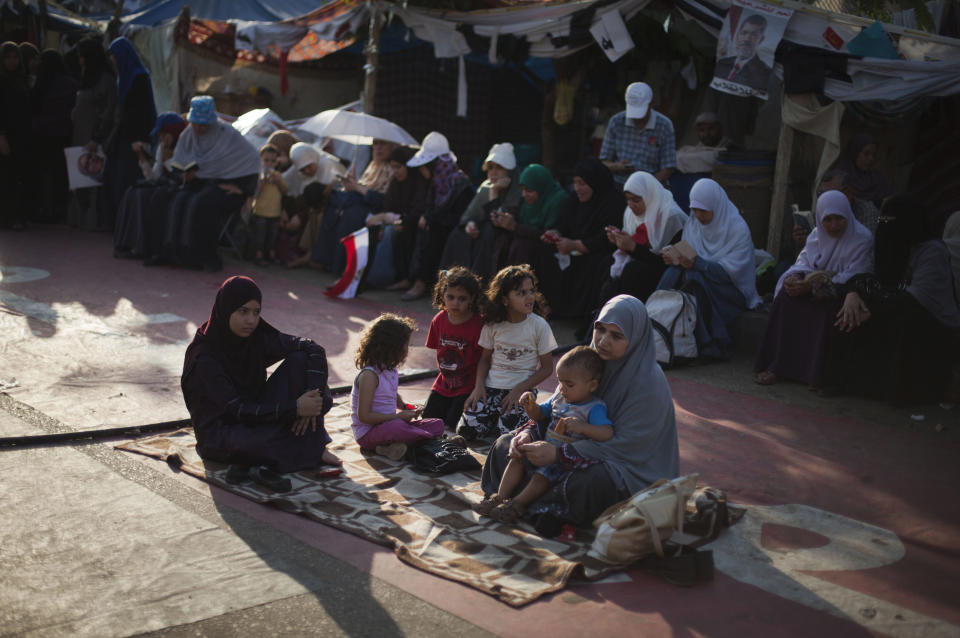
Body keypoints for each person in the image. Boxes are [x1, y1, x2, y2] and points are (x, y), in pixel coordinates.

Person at [480, 295, 679, 534]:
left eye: (616, 336)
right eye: (600, 329)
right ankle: (534, 506)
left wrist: (558, 454)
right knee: (506, 445)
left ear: (636, 338)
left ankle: (534, 506)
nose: (604, 341)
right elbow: (556, 410)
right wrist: (528, 435)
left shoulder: (648, 384)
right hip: (569, 446)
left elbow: (627, 446)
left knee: (591, 482)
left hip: (624, 466)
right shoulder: (588, 362)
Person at [180, 275, 340, 485]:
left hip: (259, 415)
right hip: (223, 432)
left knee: (300, 359)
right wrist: (295, 408)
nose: (251, 320)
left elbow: (313, 348)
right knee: (255, 443)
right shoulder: (205, 357)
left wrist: (313, 396)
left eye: (256, 312)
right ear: (226, 309)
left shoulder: (255, 339)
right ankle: (308, 448)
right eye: (243, 311)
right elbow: (237, 409)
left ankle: (264, 460)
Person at [821, 195, 960, 405]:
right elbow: (868, 276)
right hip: (894, 302)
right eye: (882, 221)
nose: (885, 226)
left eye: (891, 221)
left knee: (900, 320)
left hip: (932, 322)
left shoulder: (932, 251)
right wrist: (853, 293)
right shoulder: (886, 244)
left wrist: (874, 307)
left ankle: (901, 392)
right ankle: (843, 382)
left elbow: (916, 297)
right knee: (848, 312)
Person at [477, 346, 613, 524]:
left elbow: (607, 433)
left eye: (569, 385)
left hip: (563, 459)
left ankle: (517, 505)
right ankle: (499, 498)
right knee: (515, 456)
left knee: (542, 476)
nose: (562, 388)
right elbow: (541, 414)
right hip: (541, 448)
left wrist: (584, 427)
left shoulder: (593, 408)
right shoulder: (559, 397)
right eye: (560, 382)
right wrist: (530, 406)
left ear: (592, 385)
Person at [754, 190, 874, 387]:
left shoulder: (862, 238)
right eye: (827, 220)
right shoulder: (816, 236)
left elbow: (857, 275)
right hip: (813, 286)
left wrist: (814, 285)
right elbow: (803, 263)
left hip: (843, 292)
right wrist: (794, 279)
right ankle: (778, 366)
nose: (833, 225)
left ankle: (813, 373)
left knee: (824, 308)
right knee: (786, 298)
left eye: (839, 219)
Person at [656, 178, 761, 358]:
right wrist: (675, 258)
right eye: (694, 210)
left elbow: (731, 275)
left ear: (716, 207)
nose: (698, 215)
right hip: (701, 281)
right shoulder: (694, 223)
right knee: (676, 272)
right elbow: (688, 253)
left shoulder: (737, 229)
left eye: (703, 211)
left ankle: (710, 343)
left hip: (731, 291)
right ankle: (657, 325)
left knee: (693, 278)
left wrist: (698, 264)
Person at [155, 95, 261, 270]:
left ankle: (203, 258)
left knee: (201, 203)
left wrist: (243, 189)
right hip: (198, 184)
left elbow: (251, 161)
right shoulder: (188, 135)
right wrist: (184, 175)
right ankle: (171, 253)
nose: (198, 128)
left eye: (202, 124)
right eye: (195, 123)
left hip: (229, 189)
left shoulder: (227, 136)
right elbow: (180, 164)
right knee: (174, 198)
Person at [458, 265, 557, 441]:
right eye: (521, 293)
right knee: (465, 431)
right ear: (504, 300)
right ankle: (495, 420)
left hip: (521, 390)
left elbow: (547, 368)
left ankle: (506, 422)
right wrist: (478, 387)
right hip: (491, 388)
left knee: (511, 436)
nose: (529, 297)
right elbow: (484, 360)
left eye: (531, 291)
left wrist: (519, 389)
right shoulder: (492, 325)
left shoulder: (539, 325)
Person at [538, 157, 623, 327]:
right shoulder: (575, 200)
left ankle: (581, 315)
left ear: (595, 183)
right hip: (572, 246)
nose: (577, 188)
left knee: (594, 263)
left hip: (597, 250)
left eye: (582, 183)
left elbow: (607, 239)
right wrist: (555, 233)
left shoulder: (612, 203)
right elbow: (563, 222)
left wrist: (576, 245)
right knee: (545, 253)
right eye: (575, 183)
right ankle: (554, 308)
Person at [350, 313, 445, 460]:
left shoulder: (390, 370)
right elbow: (364, 416)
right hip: (368, 434)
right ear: (392, 347)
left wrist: (406, 407)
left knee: (437, 423)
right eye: (406, 344)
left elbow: (391, 395)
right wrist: (396, 417)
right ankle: (431, 441)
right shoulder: (369, 376)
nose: (408, 349)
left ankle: (387, 448)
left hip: (389, 426)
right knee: (397, 427)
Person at [400, 132, 475, 301]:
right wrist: (427, 217)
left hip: (453, 228)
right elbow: (430, 207)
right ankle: (408, 278)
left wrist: (432, 219)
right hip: (437, 224)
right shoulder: (436, 182)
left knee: (431, 232)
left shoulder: (460, 183)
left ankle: (422, 281)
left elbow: (460, 217)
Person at [601, 171, 688, 305]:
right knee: (608, 262)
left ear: (649, 196)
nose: (631, 205)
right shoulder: (630, 213)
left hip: (665, 269)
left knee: (634, 271)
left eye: (636, 200)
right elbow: (633, 244)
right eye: (628, 199)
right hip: (641, 260)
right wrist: (619, 240)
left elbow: (665, 261)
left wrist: (633, 247)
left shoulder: (671, 217)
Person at [439, 142, 523, 280]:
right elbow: (469, 214)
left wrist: (494, 191)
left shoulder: (517, 188)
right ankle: (452, 282)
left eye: (499, 167)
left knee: (489, 232)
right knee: (458, 233)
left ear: (510, 171)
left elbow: (499, 220)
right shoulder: (485, 187)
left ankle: (479, 283)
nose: (493, 172)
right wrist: (469, 224)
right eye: (490, 168)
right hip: (485, 229)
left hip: (505, 233)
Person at [311, 138, 396, 274]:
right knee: (333, 206)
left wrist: (356, 187)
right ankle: (325, 259)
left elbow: (382, 199)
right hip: (360, 201)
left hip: (375, 207)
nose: (378, 148)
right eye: (376, 144)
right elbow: (363, 187)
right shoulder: (373, 166)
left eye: (383, 144)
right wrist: (352, 183)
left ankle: (341, 266)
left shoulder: (392, 168)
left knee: (352, 213)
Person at [101, 37, 157, 230]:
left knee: (125, 184)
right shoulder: (125, 77)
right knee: (114, 183)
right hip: (122, 140)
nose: (113, 61)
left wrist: (138, 140)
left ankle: (126, 226)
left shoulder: (138, 78)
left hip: (133, 142)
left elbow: (142, 113)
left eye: (115, 56)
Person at [113, 112, 186, 258]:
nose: (161, 138)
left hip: (180, 189)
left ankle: (143, 248)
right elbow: (154, 176)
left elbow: (182, 177)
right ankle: (127, 243)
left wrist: (168, 160)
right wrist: (141, 157)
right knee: (133, 192)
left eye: (164, 134)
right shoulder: (162, 147)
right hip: (164, 185)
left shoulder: (185, 146)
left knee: (144, 197)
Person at [479, 164, 570, 279]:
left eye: (529, 190)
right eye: (522, 189)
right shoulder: (525, 203)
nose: (524, 194)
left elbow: (547, 237)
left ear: (541, 188)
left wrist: (515, 227)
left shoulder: (558, 201)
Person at [422, 267, 484, 430]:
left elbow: (486, 359)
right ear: (442, 295)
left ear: (472, 298)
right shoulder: (439, 320)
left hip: (467, 386)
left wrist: (479, 387)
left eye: (462, 298)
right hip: (443, 384)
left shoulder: (478, 324)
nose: (455, 303)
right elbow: (438, 350)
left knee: (452, 424)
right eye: (451, 297)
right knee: (427, 421)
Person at [364, 144, 428, 289]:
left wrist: (394, 220)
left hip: (410, 225)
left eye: (398, 167)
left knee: (390, 232)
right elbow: (387, 206)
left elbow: (416, 212)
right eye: (392, 167)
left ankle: (380, 278)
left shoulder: (418, 183)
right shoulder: (395, 183)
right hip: (396, 222)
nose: (395, 171)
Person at [69, 37, 116, 230]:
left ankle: (95, 223)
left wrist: (97, 137)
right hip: (81, 136)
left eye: (82, 56)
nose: (80, 60)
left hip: (94, 140)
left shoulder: (105, 81)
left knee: (94, 182)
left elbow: (108, 112)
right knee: (82, 183)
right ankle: (83, 220)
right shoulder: (88, 77)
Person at [29, 49, 78, 223]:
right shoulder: (71, 84)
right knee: (61, 173)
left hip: (41, 135)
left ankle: (44, 208)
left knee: (43, 172)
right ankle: (60, 209)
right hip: (64, 134)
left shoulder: (41, 83)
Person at [599, 82, 677, 187]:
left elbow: (668, 168)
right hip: (619, 184)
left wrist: (646, 185)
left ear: (651, 104)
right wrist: (617, 166)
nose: (637, 118)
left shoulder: (664, 125)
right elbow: (604, 161)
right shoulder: (616, 122)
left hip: (652, 185)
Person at [281, 142, 343, 267]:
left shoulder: (327, 164)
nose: (307, 171)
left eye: (309, 166)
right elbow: (284, 183)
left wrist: (301, 215)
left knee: (317, 215)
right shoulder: (298, 170)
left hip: (332, 205)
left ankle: (309, 256)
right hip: (313, 205)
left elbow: (326, 194)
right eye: (302, 169)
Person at [0, 41, 30, 229]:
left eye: (15, 57)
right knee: (5, 176)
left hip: (21, 135)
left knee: (17, 175)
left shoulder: (21, 79)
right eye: (7, 57)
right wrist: (1, 136)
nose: (11, 61)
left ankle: (16, 215)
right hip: (5, 135)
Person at [249, 143, 287, 266]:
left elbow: (285, 191)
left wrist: (278, 182)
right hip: (260, 211)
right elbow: (255, 194)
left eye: (272, 161)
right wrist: (262, 182)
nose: (269, 164)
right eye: (266, 160)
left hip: (274, 212)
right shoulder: (257, 176)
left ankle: (269, 254)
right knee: (259, 235)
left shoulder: (278, 176)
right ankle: (258, 255)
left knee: (272, 236)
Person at [714, 13, 773, 91]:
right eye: (744, 33)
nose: (747, 38)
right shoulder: (722, 63)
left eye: (754, 34)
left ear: (761, 39)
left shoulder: (765, 73)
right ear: (738, 35)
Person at [829, 133, 890, 207]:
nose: (871, 159)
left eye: (874, 155)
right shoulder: (838, 178)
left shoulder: (877, 178)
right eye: (866, 154)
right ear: (854, 152)